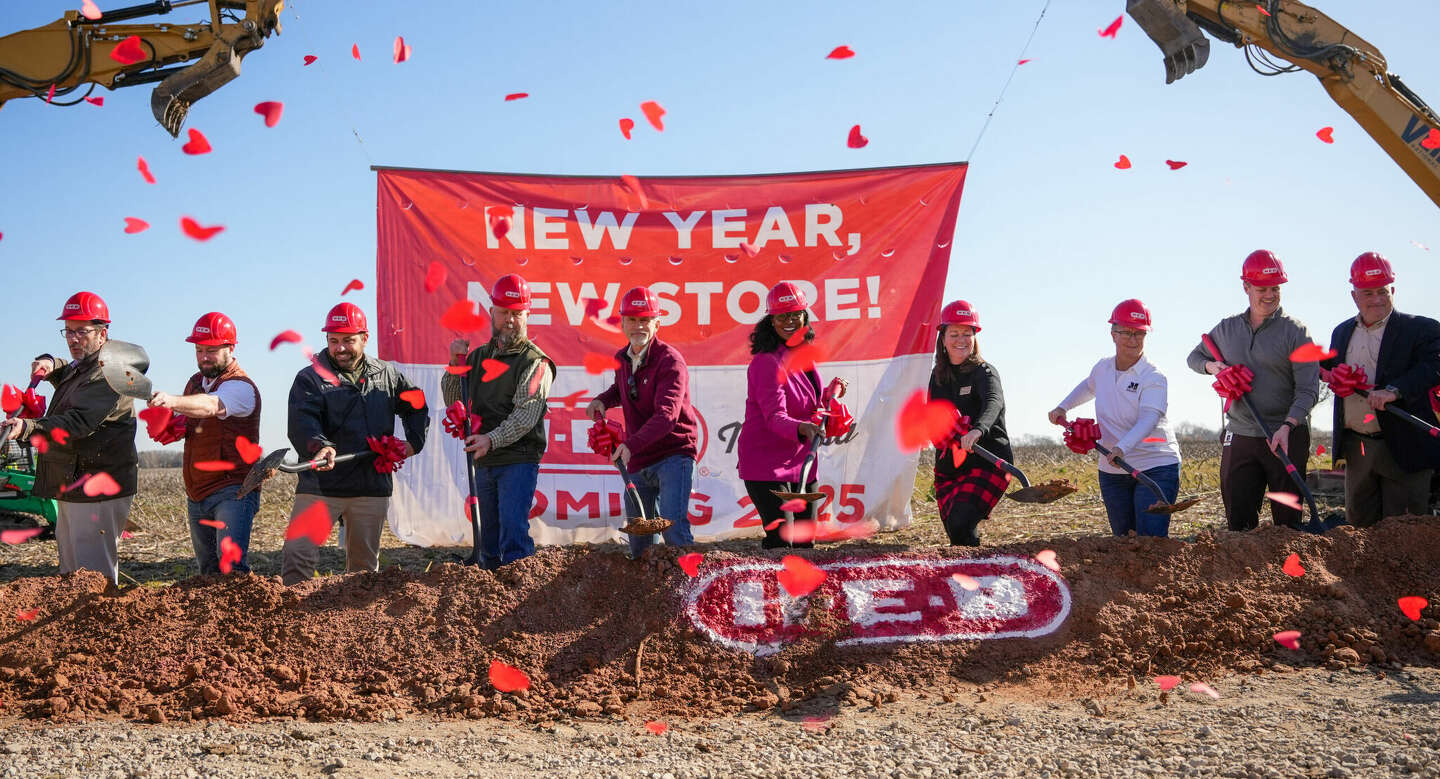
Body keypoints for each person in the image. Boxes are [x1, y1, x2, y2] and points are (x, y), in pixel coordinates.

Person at [280, 302, 429, 585]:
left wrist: (414, 442)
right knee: (297, 556)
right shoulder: (309, 378)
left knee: (362, 573)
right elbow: (302, 422)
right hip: (321, 485)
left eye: (348, 340)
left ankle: (355, 627)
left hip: (370, 487)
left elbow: (416, 404)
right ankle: (294, 620)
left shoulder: (387, 374)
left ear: (364, 338)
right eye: (334, 341)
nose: (340, 348)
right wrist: (320, 446)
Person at [0, 292, 140, 585]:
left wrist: (27, 428)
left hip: (100, 486)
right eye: (69, 331)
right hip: (77, 481)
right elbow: (75, 369)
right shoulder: (88, 363)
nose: (73, 339)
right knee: (72, 573)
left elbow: (78, 422)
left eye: (82, 332)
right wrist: (51, 363)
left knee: (92, 580)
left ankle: (101, 629)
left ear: (102, 333)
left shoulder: (112, 373)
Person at [1187, 250, 1320, 531]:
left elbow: (1308, 390)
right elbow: (1194, 358)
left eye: (1275, 288)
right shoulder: (1227, 329)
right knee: (1240, 522)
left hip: (1285, 437)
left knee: (1287, 524)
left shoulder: (1295, 332)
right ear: (1246, 287)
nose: (1270, 295)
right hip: (1241, 435)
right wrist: (1215, 368)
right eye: (1262, 289)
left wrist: (1288, 425)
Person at [441, 274, 555, 569]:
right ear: (492, 312)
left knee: (513, 536)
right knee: (486, 540)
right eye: (504, 311)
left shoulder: (535, 362)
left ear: (528, 314)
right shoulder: (477, 357)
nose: (510, 319)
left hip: (517, 460)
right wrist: (455, 364)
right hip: (485, 461)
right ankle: (487, 602)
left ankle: (521, 604)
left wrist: (491, 439)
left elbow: (527, 414)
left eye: (517, 313)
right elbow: (454, 399)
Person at [1320, 252, 1440, 527]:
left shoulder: (1420, 329)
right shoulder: (1341, 332)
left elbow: (1434, 366)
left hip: (1404, 446)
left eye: (1383, 292)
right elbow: (1335, 364)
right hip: (1357, 446)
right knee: (1359, 531)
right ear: (1354, 296)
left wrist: (1395, 391)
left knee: (1404, 534)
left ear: (1393, 290)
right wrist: (1323, 369)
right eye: (1368, 293)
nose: (1376, 299)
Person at [1048, 300, 1182, 537]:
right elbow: (1089, 386)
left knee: (1149, 541)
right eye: (1127, 333)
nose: (1133, 339)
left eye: (1140, 333)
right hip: (1112, 471)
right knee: (1123, 542)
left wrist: (1122, 447)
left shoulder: (1153, 377)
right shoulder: (1103, 368)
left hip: (1155, 467)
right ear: (1113, 334)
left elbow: (1149, 418)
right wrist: (1063, 406)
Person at [586, 286, 701, 557]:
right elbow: (621, 388)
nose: (638, 326)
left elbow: (667, 416)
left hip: (674, 453)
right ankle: (648, 596)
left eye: (645, 320)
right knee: (640, 538)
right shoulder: (622, 359)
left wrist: (630, 445)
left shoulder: (670, 361)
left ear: (657, 323)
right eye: (633, 320)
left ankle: (690, 590)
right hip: (640, 458)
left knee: (673, 530)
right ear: (623, 323)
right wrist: (601, 400)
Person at [148, 312, 262, 575]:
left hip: (233, 490)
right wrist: (164, 417)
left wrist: (172, 401)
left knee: (230, 568)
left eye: (211, 350)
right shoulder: (195, 382)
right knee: (208, 570)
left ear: (230, 348)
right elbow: (184, 415)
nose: (204, 357)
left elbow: (211, 405)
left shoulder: (241, 387)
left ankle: (240, 614)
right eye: (199, 350)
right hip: (197, 492)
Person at [738, 282, 846, 549]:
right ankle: (776, 590)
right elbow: (775, 416)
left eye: (795, 314)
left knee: (804, 541)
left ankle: (802, 591)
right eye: (781, 316)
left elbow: (809, 405)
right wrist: (804, 429)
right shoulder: (766, 362)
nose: (789, 321)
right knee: (782, 539)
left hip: (802, 463)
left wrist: (830, 395)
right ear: (771, 320)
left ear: (804, 317)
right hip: (766, 466)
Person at [927, 300, 1011, 547]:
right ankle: (968, 576)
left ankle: (979, 575)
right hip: (950, 465)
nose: (960, 340)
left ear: (975, 337)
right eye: (954, 334)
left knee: (962, 521)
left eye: (967, 333)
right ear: (943, 338)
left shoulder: (984, 372)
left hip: (989, 461)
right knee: (957, 532)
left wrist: (977, 430)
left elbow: (993, 403)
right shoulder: (938, 377)